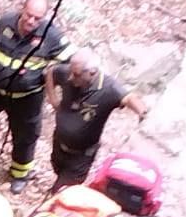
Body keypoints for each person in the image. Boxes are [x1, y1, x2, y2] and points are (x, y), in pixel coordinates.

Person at [0, 0, 72, 193]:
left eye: (37, 18)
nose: (31, 21)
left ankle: (20, 174)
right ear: (22, 9)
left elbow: (70, 64)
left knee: (25, 137)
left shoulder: (51, 37)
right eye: (28, 15)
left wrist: (49, 77)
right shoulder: (6, 22)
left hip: (27, 98)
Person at [44, 47, 150, 188]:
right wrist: (52, 98)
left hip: (80, 156)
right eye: (70, 72)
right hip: (59, 143)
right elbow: (51, 71)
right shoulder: (69, 73)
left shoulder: (109, 88)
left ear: (92, 72)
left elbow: (128, 98)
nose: (70, 77)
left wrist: (142, 112)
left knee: (64, 189)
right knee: (58, 170)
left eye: (76, 74)